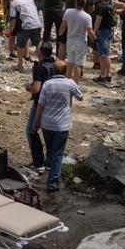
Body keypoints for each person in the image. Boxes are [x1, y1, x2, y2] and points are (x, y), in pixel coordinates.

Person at [33, 62, 82, 192]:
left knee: (50, 150)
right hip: (62, 126)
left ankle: (51, 171)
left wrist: (36, 121)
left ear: (53, 71)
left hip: (47, 124)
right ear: (66, 71)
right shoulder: (70, 83)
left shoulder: (47, 84)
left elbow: (41, 105)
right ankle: (52, 183)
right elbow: (80, 97)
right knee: (58, 153)